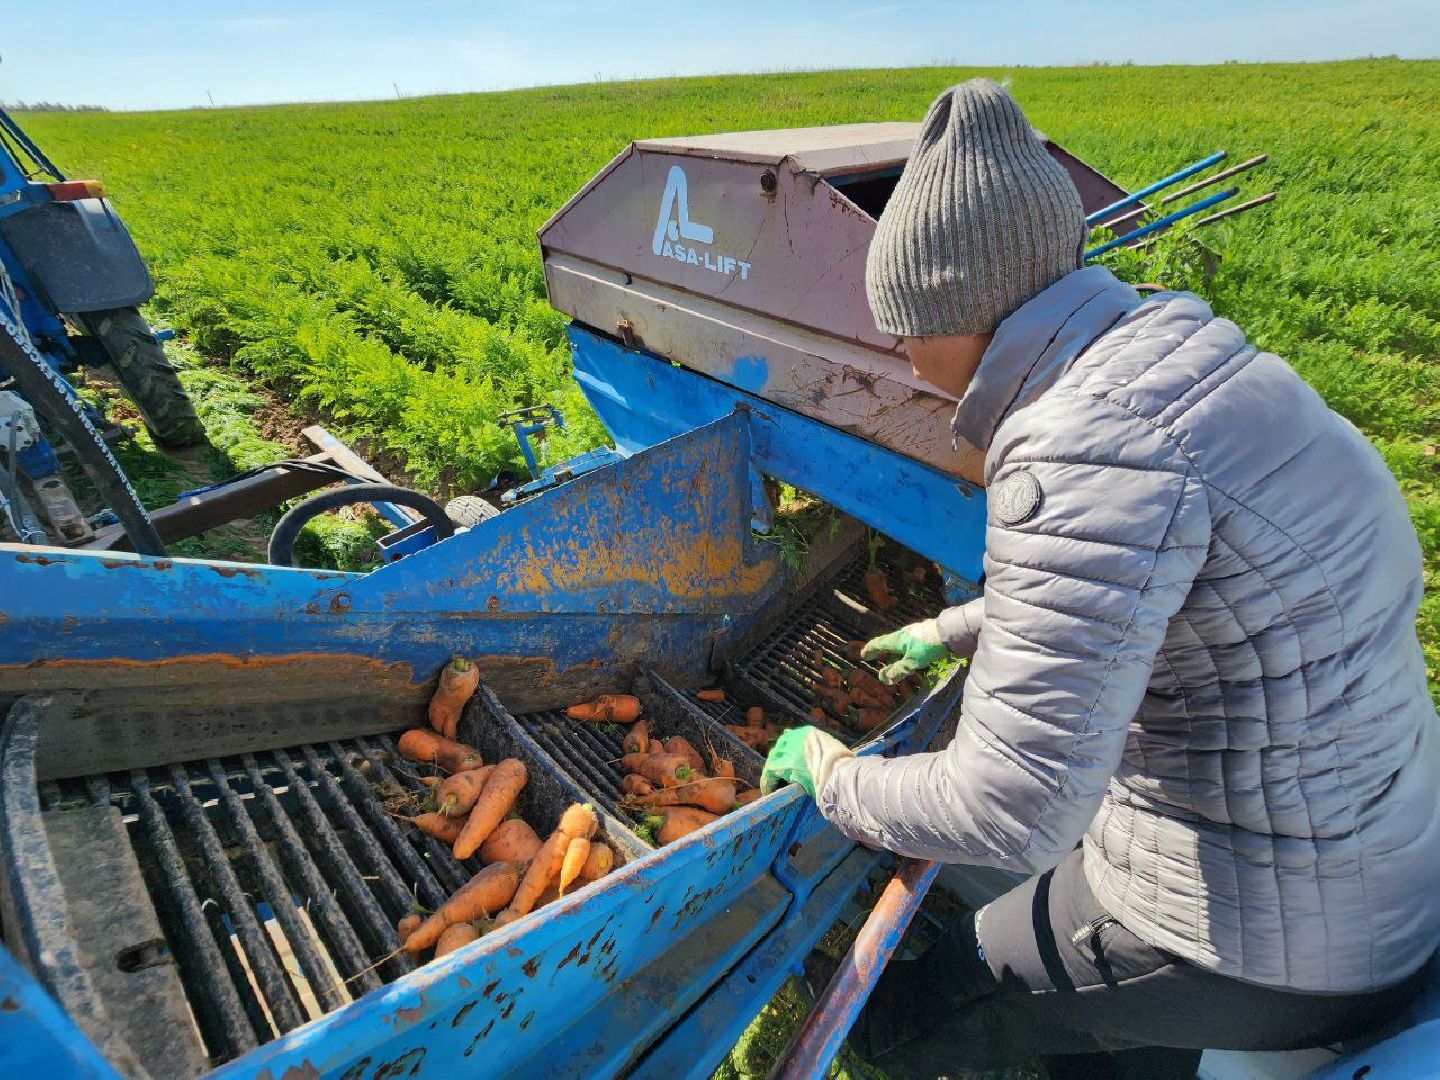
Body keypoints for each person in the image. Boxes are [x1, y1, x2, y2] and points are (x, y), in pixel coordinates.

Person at [760, 78, 1440, 1076]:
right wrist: (952, 632)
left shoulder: (1076, 447)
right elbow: (1165, 585)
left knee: (930, 1002)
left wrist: (834, 779)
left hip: (1273, 934)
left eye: (900, 321)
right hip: (1383, 853)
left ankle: (891, 1047)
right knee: (1092, 1011)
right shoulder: (1193, 365)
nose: (898, 351)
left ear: (954, 307)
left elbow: (1014, 806)